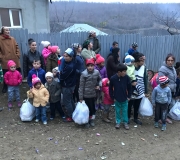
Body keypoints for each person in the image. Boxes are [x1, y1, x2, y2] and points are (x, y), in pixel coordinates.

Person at [79, 58, 102, 127]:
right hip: (86, 95)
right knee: (86, 109)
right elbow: (81, 86)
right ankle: (86, 121)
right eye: (88, 66)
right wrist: (81, 97)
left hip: (93, 94)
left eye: (92, 66)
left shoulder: (96, 72)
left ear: (94, 66)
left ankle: (91, 120)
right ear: (86, 66)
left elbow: (100, 79)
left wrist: (99, 85)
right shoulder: (83, 74)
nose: (90, 67)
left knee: (92, 109)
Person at [109, 63, 132, 130]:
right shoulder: (113, 78)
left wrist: (129, 96)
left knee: (125, 110)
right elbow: (110, 88)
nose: (125, 73)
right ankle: (118, 122)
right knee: (117, 111)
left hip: (125, 98)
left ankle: (125, 122)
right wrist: (112, 97)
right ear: (119, 72)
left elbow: (129, 88)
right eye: (124, 71)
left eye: (125, 71)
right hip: (117, 99)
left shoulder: (126, 78)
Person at [128, 52, 148, 125]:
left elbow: (145, 79)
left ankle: (135, 118)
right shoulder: (130, 67)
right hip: (131, 89)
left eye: (143, 61)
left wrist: (146, 91)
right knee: (130, 104)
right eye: (141, 61)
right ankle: (128, 117)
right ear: (136, 60)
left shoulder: (144, 68)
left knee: (137, 104)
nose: (143, 62)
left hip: (140, 89)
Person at [0, 26, 21, 93]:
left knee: (16, 72)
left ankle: (16, 86)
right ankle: (5, 87)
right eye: (6, 30)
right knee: (6, 74)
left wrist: (17, 55)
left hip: (14, 58)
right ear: (3, 31)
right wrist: (1, 57)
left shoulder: (12, 39)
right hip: (5, 59)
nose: (8, 31)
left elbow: (17, 47)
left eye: (8, 30)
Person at [158, 54, 177, 124]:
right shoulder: (163, 69)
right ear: (166, 61)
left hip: (171, 90)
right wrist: (167, 87)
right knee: (163, 104)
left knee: (167, 104)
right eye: (168, 60)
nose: (170, 62)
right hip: (165, 90)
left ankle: (165, 117)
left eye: (172, 60)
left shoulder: (173, 68)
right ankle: (160, 118)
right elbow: (159, 80)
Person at [60, 48, 77, 122]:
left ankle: (70, 116)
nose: (65, 58)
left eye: (67, 56)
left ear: (71, 57)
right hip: (71, 84)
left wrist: (58, 73)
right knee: (70, 100)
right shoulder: (71, 63)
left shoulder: (70, 66)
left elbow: (62, 76)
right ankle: (74, 113)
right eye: (64, 56)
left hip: (67, 85)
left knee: (67, 101)